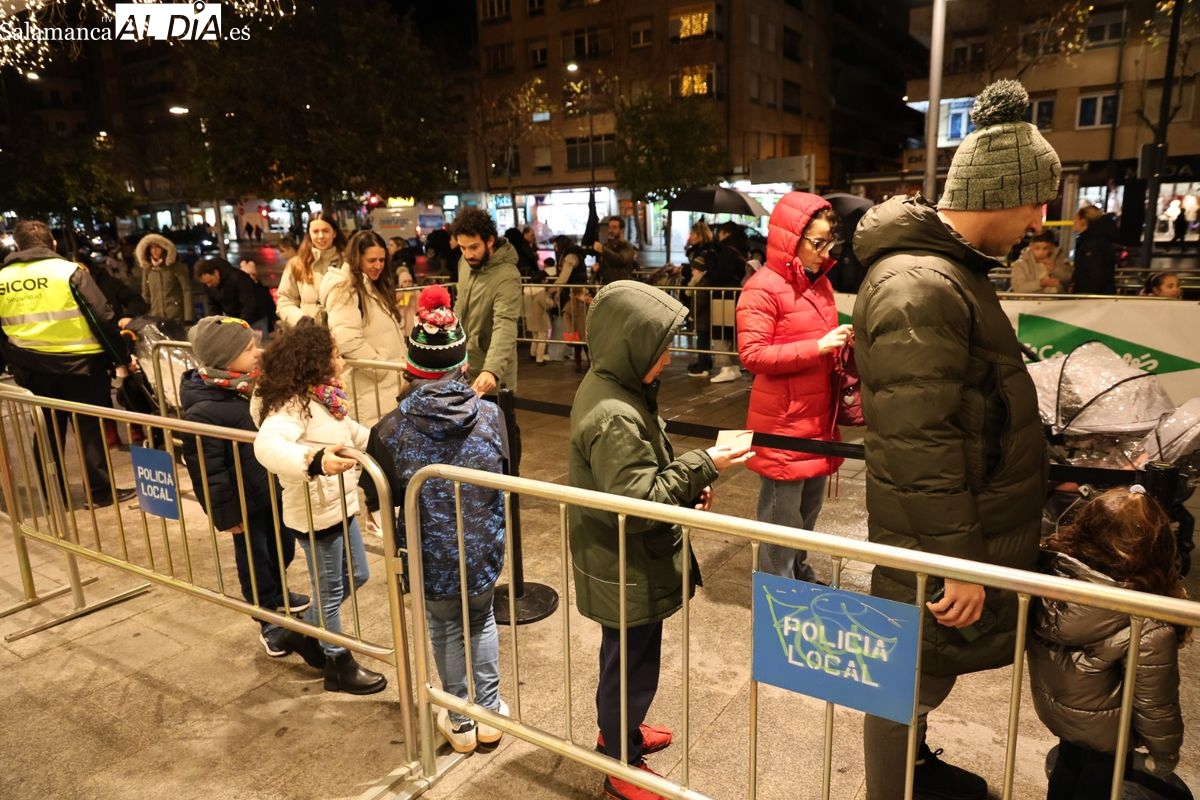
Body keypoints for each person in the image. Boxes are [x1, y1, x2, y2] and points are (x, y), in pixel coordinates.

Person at [852, 79, 1060, 800]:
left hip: (950, 529)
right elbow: (922, 445)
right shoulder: (923, 285)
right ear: (1003, 193)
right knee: (908, 681)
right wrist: (959, 565)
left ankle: (911, 771)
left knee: (918, 679)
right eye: (1037, 201)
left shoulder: (947, 275)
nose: (1041, 219)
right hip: (938, 542)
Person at [569, 280, 753, 800]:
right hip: (624, 562)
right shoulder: (615, 413)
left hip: (626, 559)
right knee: (630, 665)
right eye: (660, 347)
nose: (668, 359)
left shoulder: (619, 389)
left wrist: (688, 489)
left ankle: (620, 734)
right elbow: (639, 500)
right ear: (630, 344)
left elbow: (643, 477)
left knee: (627, 659)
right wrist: (704, 464)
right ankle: (619, 764)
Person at [365, 285, 509, 754]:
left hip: (430, 559)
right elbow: (508, 476)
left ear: (412, 368)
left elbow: (378, 496)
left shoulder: (388, 430)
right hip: (483, 550)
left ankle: (459, 721)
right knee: (482, 620)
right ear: (463, 365)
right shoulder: (492, 417)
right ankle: (489, 715)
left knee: (446, 628)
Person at [1029, 486, 1191, 800]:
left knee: (1069, 763)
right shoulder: (1145, 619)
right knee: (1099, 780)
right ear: (1158, 547)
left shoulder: (1050, 582)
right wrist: (1165, 752)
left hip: (1058, 709)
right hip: (1110, 731)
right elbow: (1156, 702)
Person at [252, 319, 386, 695]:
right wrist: (314, 461)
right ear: (315, 361)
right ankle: (337, 664)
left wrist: (395, 437)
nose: (341, 360)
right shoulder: (291, 406)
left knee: (358, 574)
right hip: (315, 511)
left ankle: (303, 630)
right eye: (335, 354)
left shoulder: (324, 399)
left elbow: (354, 434)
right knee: (329, 590)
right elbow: (267, 446)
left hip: (339, 506)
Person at [179, 316, 316, 659]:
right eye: (248, 349)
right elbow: (207, 470)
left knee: (282, 548)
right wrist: (225, 514)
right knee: (256, 561)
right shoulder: (203, 410)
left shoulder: (253, 388)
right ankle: (267, 618)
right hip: (243, 501)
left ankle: (279, 594)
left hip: (271, 488)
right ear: (225, 359)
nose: (258, 352)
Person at [737, 193, 850, 582]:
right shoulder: (762, 288)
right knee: (780, 518)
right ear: (791, 238)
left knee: (807, 513)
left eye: (829, 243)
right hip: (784, 423)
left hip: (817, 419)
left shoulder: (821, 285)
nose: (824, 252)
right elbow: (753, 355)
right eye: (817, 243)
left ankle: (799, 575)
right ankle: (778, 590)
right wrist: (817, 347)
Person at [0, 220, 135, 509]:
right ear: (53, 243)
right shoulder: (69, 272)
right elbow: (102, 317)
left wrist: (10, 360)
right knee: (89, 429)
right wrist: (120, 357)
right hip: (82, 366)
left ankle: (52, 495)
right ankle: (99, 492)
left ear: (19, 246)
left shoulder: (2, 279)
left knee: (45, 430)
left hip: (32, 368)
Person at [319, 230, 407, 427]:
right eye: (371, 260)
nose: (378, 266)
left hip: (383, 387)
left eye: (382, 260)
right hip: (370, 390)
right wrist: (382, 368)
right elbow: (347, 339)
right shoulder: (346, 289)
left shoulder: (371, 286)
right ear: (356, 258)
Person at [453, 208, 522, 398]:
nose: (468, 254)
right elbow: (459, 305)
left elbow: (505, 324)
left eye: (474, 247)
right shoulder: (464, 264)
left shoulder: (507, 275)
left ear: (490, 240)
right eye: (462, 248)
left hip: (493, 378)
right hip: (463, 370)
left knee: (500, 418)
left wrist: (491, 369)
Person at [276, 212, 345, 328]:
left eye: (326, 231)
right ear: (309, 234)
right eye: (315, 231)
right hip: (309, 334)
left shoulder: (347, 262)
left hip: (342, 332)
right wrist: (300, 320)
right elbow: (285, 300)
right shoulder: (296, 264)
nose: (321, 236)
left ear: (334, 233)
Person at [707, 222, 749, 384]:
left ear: (725, 232)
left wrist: (711, 259)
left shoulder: (727, 250)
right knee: (732, 331)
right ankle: (734, 366)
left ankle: (725, 367)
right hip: (736, 294)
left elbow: (719, 274)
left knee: (720, 330)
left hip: (723, 296)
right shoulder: (741, 246)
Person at [194, 257, 272, 335]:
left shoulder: (238, 278)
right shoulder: (208, 285)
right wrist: (217, 325)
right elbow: (213, 306)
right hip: (234, 318)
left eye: (210, 281)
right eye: (206, 283)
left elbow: (249, 305)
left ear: (216, 272)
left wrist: (240, 326)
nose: (209, 285)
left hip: (256, 317)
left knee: (256, 341)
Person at [682, 221, 718, 379]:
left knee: (703, 339)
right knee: (702, 338)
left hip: (702, 314)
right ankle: (703, 363)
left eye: (693, 234)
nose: (690, 236)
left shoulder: (704, 253)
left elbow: (700, 300)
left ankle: (704, 365)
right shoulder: (696, 250)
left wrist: (692, 315)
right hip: (701, 313)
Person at [136, 233, 193, 323]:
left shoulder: (175, 267)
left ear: (164, 248)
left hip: (175, 315)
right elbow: (145, 294)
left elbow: (186, 291)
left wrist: (188, 318)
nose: (154, 251)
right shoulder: (148, 269)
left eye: (158, 247)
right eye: (152, 248)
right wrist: (143, 314)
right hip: (155, 316)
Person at [553, 234, 591, 369]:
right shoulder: (576, 255)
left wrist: (552, 290)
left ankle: (582, 364)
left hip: (575, 293)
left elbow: (563, 278)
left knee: (580, 338)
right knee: (581, 338)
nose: (555, 248)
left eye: (556, 245)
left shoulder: (570, 257)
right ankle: (582, 363)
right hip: (578, 292)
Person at [1071, 205, 1119, 295]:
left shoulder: (1092, 244)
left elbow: (1095, 275)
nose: (1073, 222)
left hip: (1093, 297)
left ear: (1083, 221)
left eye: (1075, 219)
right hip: (1099, 295)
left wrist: (1083, 292)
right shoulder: (1097, 240)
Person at [1009, 231, 1074, 293]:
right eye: (1037, 248)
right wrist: (1041, 283)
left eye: (1045, 248)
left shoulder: (1059, 259)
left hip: (1055, 299)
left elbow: (1069, 279)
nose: (1041, 252)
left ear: (1051, 247)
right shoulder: (1020, 264)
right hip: (1030, 300)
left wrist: (1054, 269)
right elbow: (1019, 288)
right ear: (1031, 246)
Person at [523, 263, 556, 366]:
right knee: (542, 338)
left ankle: (533, 353)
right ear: (542, 280)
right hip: (540, 317)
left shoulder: (526, 290)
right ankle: (540, 358)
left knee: (535, 336)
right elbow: (547, 305)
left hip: (530, 316)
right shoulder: (541, 292)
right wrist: (552, 302)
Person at [594, 216, 638, 285]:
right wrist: (595, 268)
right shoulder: (606, 246)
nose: (610, 230)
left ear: (622, 230)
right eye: (609, 227)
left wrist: (603, 250)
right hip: (607, 285)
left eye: (614, 227)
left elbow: (620, 259)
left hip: (622, 286)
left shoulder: (627, 246)